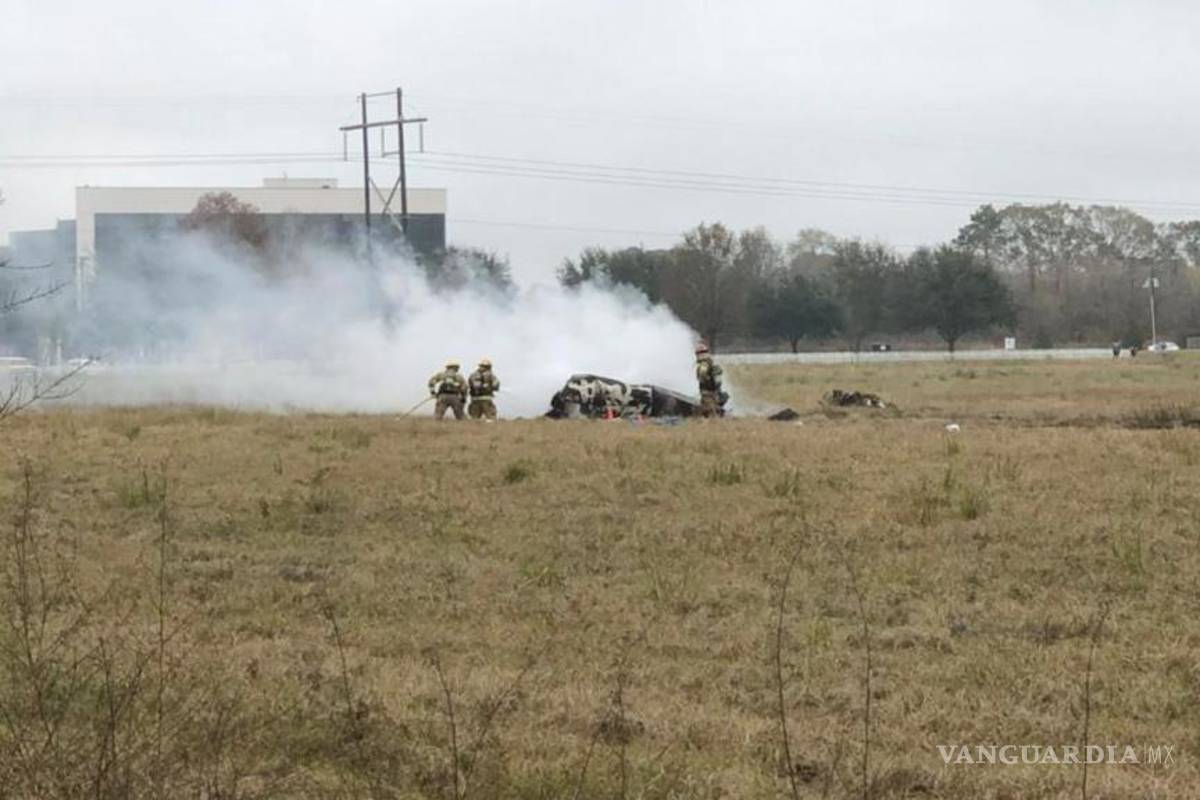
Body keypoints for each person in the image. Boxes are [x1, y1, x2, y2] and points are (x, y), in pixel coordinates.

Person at [694, 343, 726, 417]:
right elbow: (718, 382)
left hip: (708, 395)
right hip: (715, 393)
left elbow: (702, 377)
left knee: (709, 413)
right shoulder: (712, 364)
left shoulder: (704, 365)